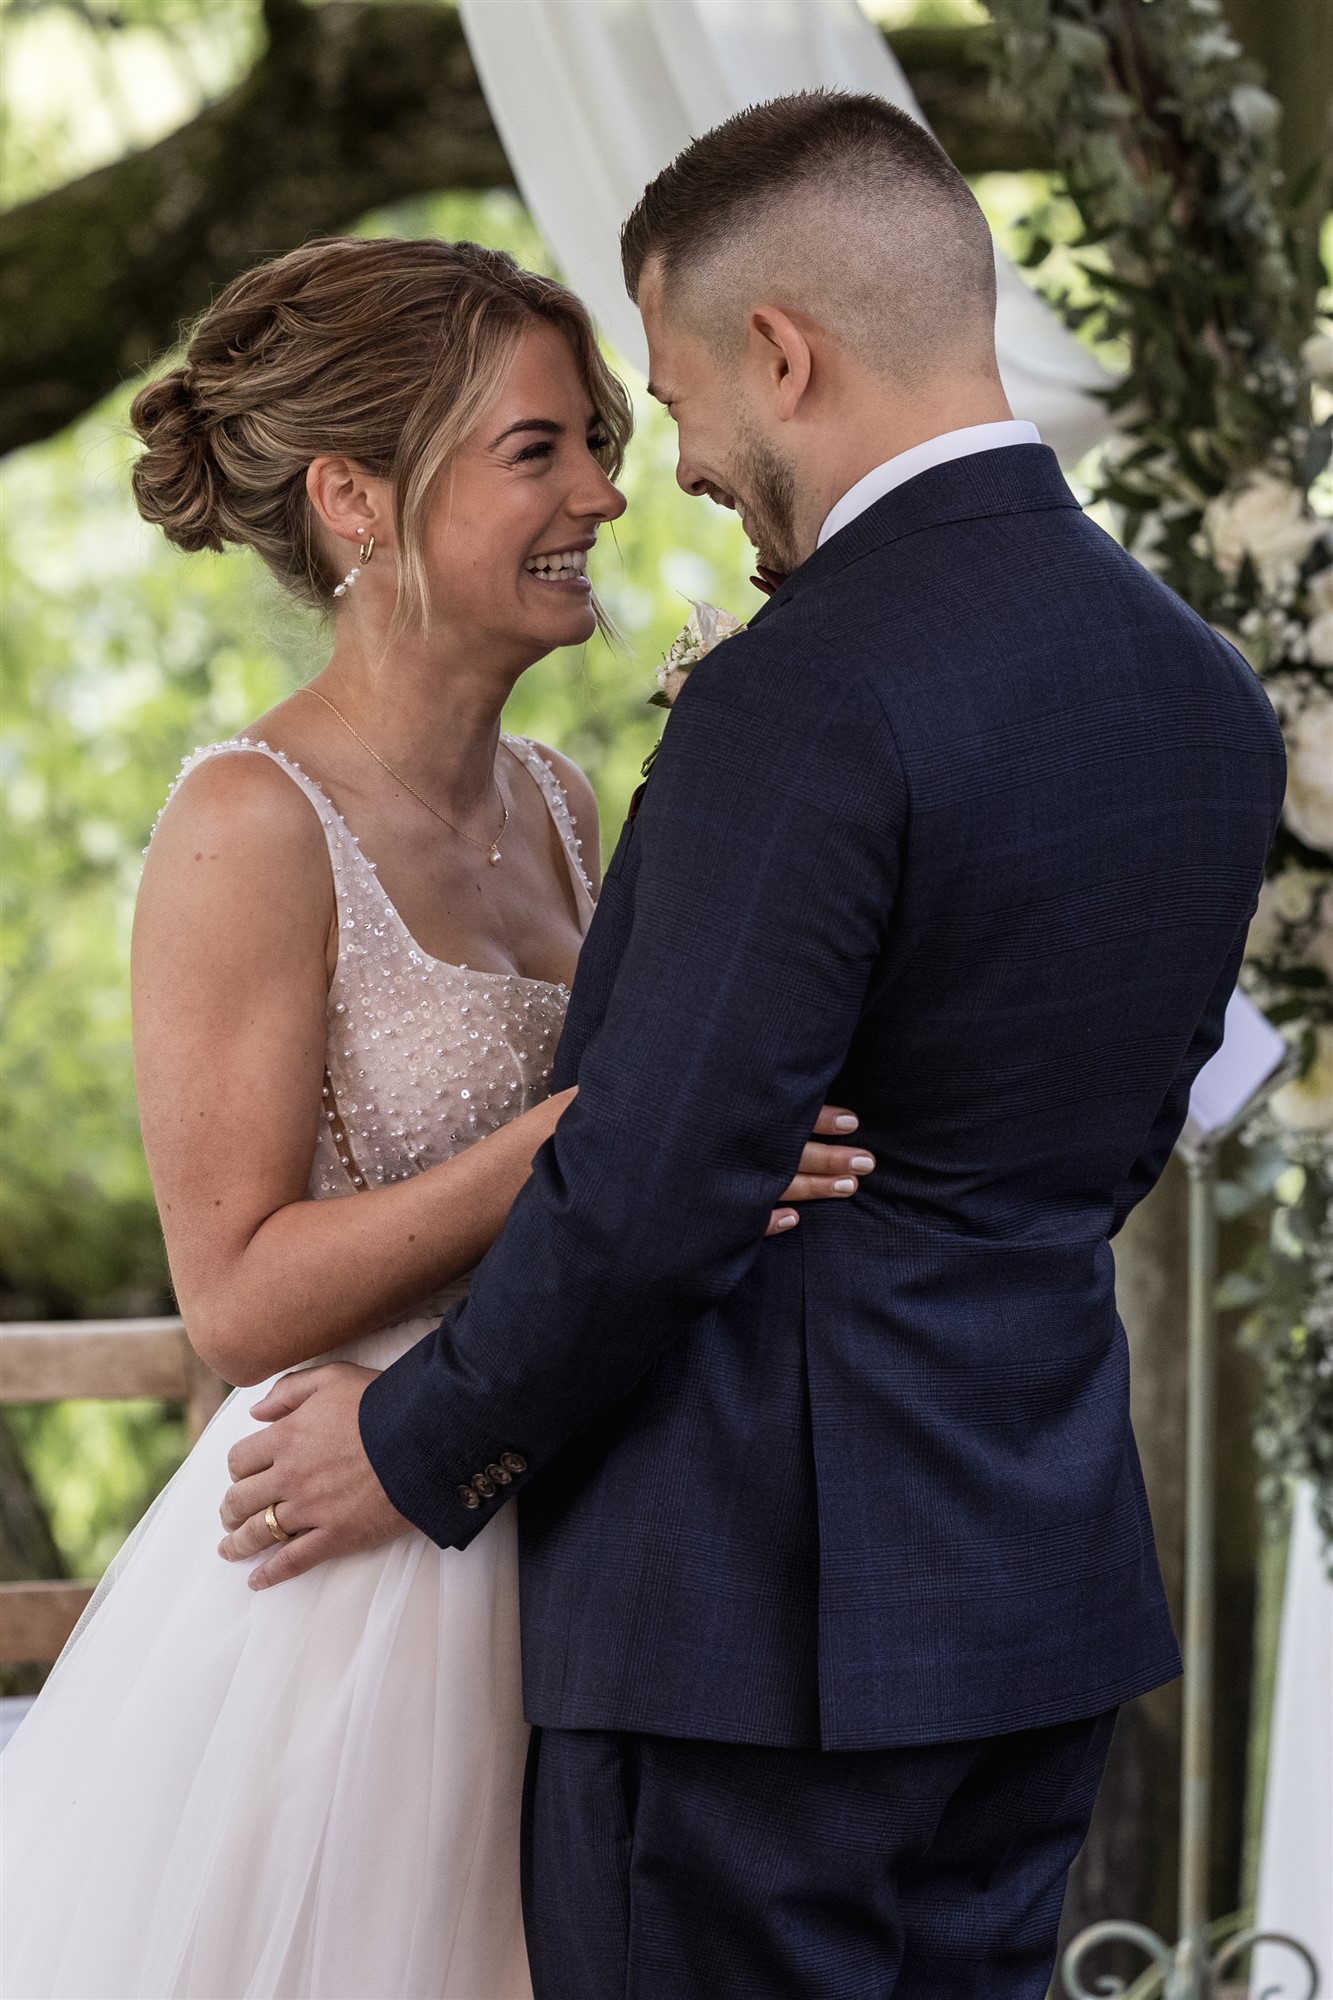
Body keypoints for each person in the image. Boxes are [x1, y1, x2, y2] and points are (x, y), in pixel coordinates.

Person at [221, 96, 1288, 1998]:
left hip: (751, 1638)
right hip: (1026, 1598)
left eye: (674, 398)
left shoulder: (805, 690)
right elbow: (1114, 1132)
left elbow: (652, 1185)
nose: (680, 467)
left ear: (781, 352)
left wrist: (412, 1443)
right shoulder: (1197, 689)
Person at [0, 233, 867, 2000]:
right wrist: (589, 1139)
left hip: (563, 1522)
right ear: (355, 500)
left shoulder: (563, 798)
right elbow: (233, 1296)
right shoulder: (250, 822)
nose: (607, 501)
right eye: (538, 451)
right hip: (352, 1587)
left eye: (605, 445)